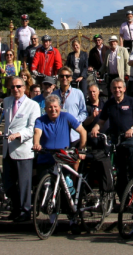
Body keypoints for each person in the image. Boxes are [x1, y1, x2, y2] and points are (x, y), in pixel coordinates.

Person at [33, 94, 87, 234]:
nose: (53, 110)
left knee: (68, 188)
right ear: (45, 109)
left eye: (55, 107)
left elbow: (82, 131)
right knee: (48, 190)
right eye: (50, 107)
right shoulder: (40, 120)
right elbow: (37, 133)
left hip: (63, 160)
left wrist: (81, 149)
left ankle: (73, 219)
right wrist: (36, 144)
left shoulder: (66, 117)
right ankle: (52, 220)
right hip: (46, 160)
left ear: (60, 107)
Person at [91, 78, 133, 199]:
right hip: (115, 140)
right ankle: (122, 200)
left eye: (119, 87)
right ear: (111, 89)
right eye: (114, 88)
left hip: (131, 140)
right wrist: (95, 128)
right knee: (120, 172)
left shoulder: (132, 101)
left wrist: (132, 129)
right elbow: (101, 121)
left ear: (124, 89)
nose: (117, 90)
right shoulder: (109, 104)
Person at [2, 76, 40, 223]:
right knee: (8, 184)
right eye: (13, 87)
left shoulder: (32, 105)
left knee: (24, 184)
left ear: (24, 88)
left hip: (23, 148)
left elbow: (33, 128)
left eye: (18, 87)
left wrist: (20, 134)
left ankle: (25, 211)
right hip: (8, 149)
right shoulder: (7, 102)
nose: (15, 89)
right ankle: (15, 208)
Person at [52, 66, 88, 149]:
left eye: (67, 76)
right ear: (58, 78)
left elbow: (84, 112)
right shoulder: (54, 95)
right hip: (58, 134)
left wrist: (74, 121)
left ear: (71, 78)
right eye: (62, 76)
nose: (64, 78)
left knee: (74, 160)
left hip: (74, 134)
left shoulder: (78, 93)